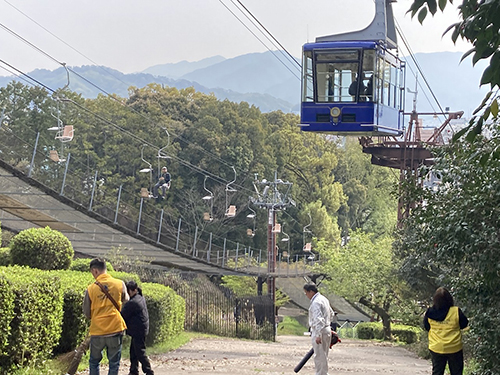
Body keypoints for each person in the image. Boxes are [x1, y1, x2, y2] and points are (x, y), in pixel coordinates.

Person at [83, 258, 129, 375]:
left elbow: (87, 312)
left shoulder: (90, 289)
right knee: (114, 362)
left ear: (95, 271)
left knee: (94, 361)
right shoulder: (119, 283)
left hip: (97, 330)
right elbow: (126, 299)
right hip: (115, 328)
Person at [424, 287, 469, 375]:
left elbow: (426, 327)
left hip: (436, 347)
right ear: (449, 299)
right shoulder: (456, 311)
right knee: (456, 372)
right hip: (454, 347)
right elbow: (464, 324)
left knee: (437, 372)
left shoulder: (430, 312)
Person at [121, 281, 155, 375]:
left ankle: (148, 371)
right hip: (141, 329)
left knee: (140, 352)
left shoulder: (133, 302)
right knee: (134, 351)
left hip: (138, 330)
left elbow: (122, 315)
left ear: (134, 290)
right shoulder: (140, 297)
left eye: (128, 292)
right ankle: (133, 370)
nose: (127, 294)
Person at [304, 283, 334, 375]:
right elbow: (331, 313)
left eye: (306, 292)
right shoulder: (324, 299)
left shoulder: (316, 302)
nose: (306, 295)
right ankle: (322, 373)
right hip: (326, 328)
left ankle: (321, 374)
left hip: (320, 330)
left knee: (319, 356)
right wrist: (328, 325)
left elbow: (318, 319)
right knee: (323, 355)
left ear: (311, 292)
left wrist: (318, 334)